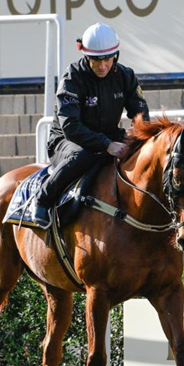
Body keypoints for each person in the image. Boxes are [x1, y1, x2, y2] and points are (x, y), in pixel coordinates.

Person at [30, 22, 150, 228]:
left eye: (107, 59)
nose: (102, 65)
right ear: (85, 55)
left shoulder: (126, 75)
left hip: (109, 136)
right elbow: (71, 127)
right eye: (96, 60)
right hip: (67, 141)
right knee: (83, 155)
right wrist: (107, 145)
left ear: (116, 55)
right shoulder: (72, 78)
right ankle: (42, 199)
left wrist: (137, 134)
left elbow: (141, 114)